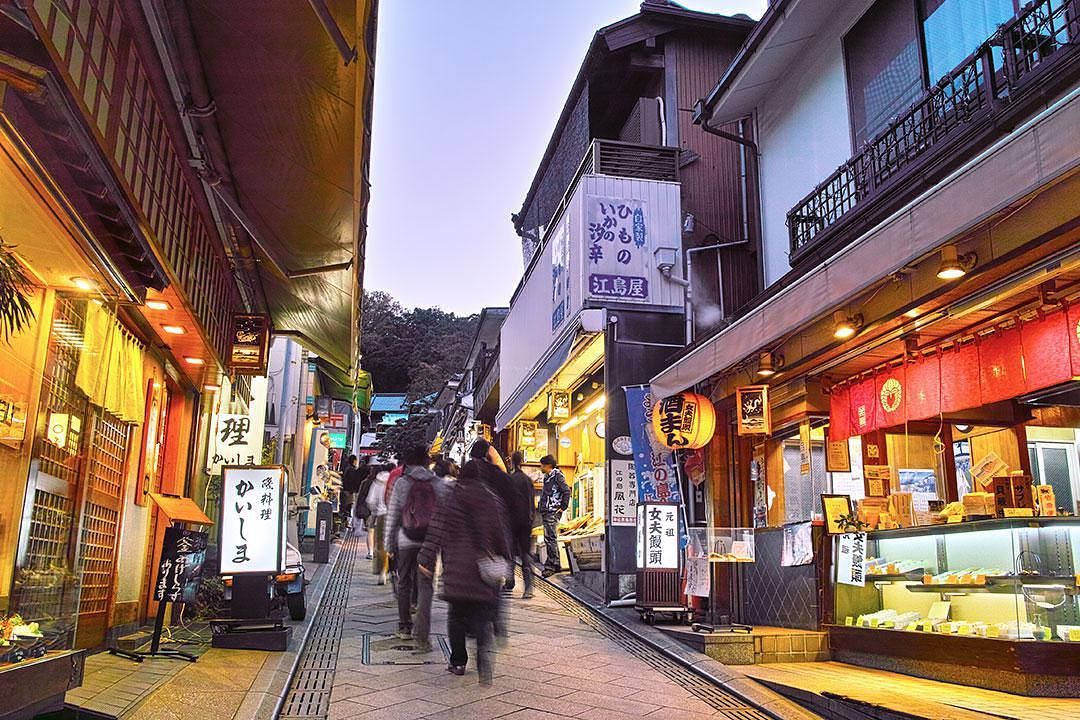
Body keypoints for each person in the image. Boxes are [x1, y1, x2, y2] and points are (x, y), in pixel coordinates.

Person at [418, 459, 509, 684]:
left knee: (456, 616)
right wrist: (506, 560)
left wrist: (426, 559)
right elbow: (501, 533)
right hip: (482, 569)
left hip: (456, 568)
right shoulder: (492, 498)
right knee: (481, 615)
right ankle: (483, 656)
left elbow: (436, 530)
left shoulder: (450, 497)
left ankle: (458, 661)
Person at [385, 445, 449, 645]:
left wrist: (389, 544)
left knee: (404, 582)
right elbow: (444, 516)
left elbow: (393, 514)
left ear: (409, 463)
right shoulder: (438, 483)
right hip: (429, 542)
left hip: (406, 539)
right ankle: (422, 632)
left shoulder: (402, 483)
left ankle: (404, 626)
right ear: (426, 462)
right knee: (426, 585)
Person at [507, 452, 537, 598]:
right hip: (525, 521)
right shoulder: (527, 480)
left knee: (509, 553)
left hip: (511, 521)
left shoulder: (509, 479)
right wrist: (531, 519)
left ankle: (509, 581)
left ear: (512, 462)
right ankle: (528, 588)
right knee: (525, 554)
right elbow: (532, 502)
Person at [537, 455, 570, 577]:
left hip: (553, 511)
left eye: (542, 465)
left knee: (550, 538)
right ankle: (556, 564)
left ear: (547, 465)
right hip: (548, 510)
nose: (541, 467)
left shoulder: (557, 475)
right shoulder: (547, 477)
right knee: (549, 538)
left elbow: (566, 491)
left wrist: (563, 507)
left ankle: (551, 565)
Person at [366, 464, 390, 583]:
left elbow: (370, 500)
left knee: (381, 544)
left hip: (381, 515)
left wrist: (375, 510)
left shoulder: (377, 482)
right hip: (395, 515)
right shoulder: (395, 481)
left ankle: (382, 572)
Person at [340, 454, 362, 524]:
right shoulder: (352, 470)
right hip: (348, 491)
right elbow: (351, 481)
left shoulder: (348, 468)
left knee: (346, 506)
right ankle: (344, 522)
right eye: (356, 461)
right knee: (347, 506)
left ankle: (344, 522)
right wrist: (352, 490)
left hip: (346, 489)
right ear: (353, 461)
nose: (356, 462)